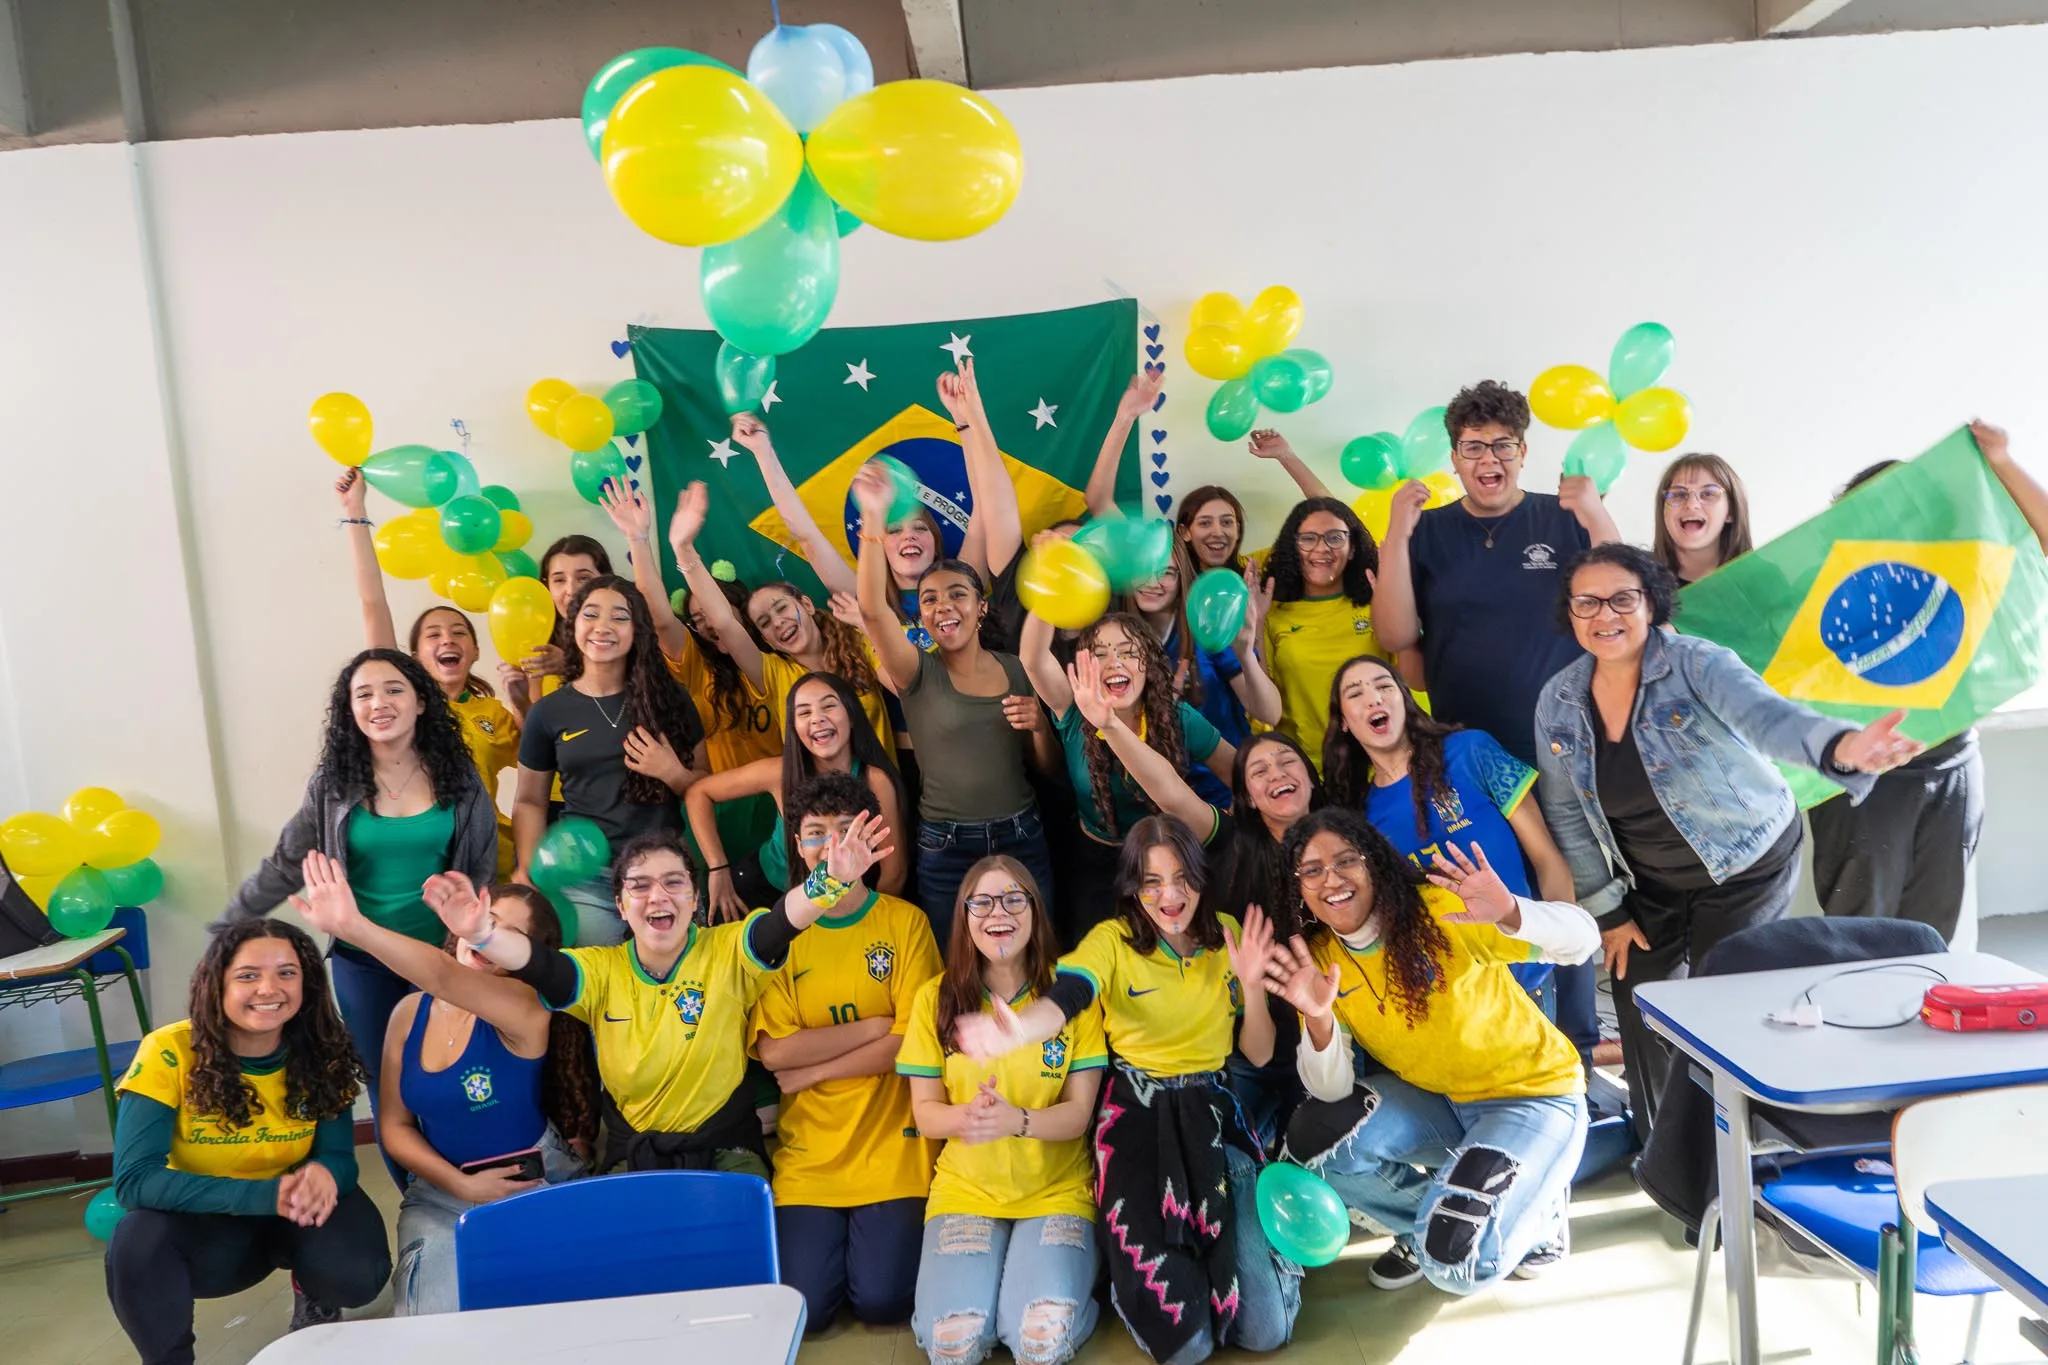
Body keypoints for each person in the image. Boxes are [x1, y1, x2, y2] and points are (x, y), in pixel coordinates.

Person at [1534, 543, 1923, 1139]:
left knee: (1730, 1002)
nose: (1604, 614)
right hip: (1646, 881)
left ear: (1651, 604)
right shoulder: (1559, 700)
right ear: (1569, 611)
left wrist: (1844, 749)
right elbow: (1565, 811)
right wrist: (1607, 910)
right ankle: (1666, 1155)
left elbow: (1773, 720)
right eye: (1587, 602)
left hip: (1745, 860)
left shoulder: (1697, 664)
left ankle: (1748, 1144)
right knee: (1643, 1007)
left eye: (1622, 599)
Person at [953, 815, 1300, 1365]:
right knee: (1186, 1347)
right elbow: (1070, 993)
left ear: (1201, 880)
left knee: (1266, 1330)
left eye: (1182, 877)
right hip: (1137, 1124)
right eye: (1152, 881)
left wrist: (1252, 988)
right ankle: (1128, 1279)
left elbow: (1257, 1053)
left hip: (1212, 1120)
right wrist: (1018, 1029)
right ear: (1133, 887)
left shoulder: (1228, 935)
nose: (1169, 894)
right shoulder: (1112, 940)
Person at [1368, 379, 1621, 1066]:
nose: (1489, 458)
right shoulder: (1431, 533)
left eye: (1502, 445)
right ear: (1453, 456)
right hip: (1465, 751)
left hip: (1563, 744)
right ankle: (1503, 1047)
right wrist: (1395, 533)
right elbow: (1396, 636)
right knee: (1490, 893)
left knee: (1564, 879)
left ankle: (1576, 1044)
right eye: (1473, 446)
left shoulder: (1560, 518)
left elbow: (1621, 599)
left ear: (1523, 449)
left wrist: (1596, 516)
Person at [428, 816, 893, 1181]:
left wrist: (829, 881)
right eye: (640, 885)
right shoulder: (599, 970)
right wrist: (482, 933)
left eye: (674, 882)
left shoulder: (729, 950)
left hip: (726, 1154)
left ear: (694, 898)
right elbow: (538, 962)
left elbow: (783, 919)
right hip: (634, 1158)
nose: (658, 896)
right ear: (620, 903)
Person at [1268, 810, 1598, 1292]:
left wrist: (1511, 912)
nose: (1331, 879)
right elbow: (1332, 1089)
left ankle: (1539, 1216)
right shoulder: (1319, 959)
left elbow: (1583, 942)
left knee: (1457, 1266)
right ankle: (1429, 1224)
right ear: (1299, 888)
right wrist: (1318, 1016)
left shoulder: (1442, 910)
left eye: (1346, 861)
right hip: (1441, 1102)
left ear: (1374, 864)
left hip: (1534, 1097)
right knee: (1316, 1148)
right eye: (1312, 870)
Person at [289, 854, 599, 1316]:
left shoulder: (527, 1006)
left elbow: (443, 975)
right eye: (487, 921)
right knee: (433, 1331)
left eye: (509, 936)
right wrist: (460, 1185)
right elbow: (395, 1126)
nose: (485, 939)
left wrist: (353, 926)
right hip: (438, 1196)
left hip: (535, 1183)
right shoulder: (408, 1014)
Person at [220, 649, 497, 1150]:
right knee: (389, 1091)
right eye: (363, 694)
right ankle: (416, 1197)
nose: (378, 703)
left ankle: (461, 1190)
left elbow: (480, 867)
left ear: (420, 702)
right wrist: (228, 928)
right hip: (361, 960)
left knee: (453, 1077)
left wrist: (469, 934)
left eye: (393, 690)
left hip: (439, 954)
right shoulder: (333, 785)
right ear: (349, 710)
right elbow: (287, 860)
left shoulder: (461, 778)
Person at [1807, 420, 2048, 941]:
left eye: (1907, 502)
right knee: (1856, 938)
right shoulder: (1824, 581)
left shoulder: (1963, 568)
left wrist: (2003, 462)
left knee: (1932, 939)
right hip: (1861, 777)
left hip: (1952, 765)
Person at [106, 920, 389, 1362]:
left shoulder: (322, 1049)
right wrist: (265, 1195)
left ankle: (313, 1290)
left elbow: (340, 1157)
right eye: (248, 975)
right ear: (215, 982)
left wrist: (324, 1174)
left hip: (294, 1213)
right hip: (209, 1220)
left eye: (286, 972)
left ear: (308, 981)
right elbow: (135, 1181)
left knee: (358, 1275)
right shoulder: (169, 1051)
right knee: (136, 1240)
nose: (269, 988)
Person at [751, 772, 944, 1330]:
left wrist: (814, 1073)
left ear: (873, 838)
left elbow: (910, 1044)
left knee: (884, 1303)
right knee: (803, 1313)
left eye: (846, 829)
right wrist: (873, 1027)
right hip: (810, 1156)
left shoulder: (905, 923)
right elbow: (776, 1054)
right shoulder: (779, 932)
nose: (832, 846)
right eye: (815, 832)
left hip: (894, 1150)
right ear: (796, 843)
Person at [898, 857, 1107, 1365]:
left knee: (1040, 1343)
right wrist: (971, 1117)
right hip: (966, 1193)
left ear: (1035, 912)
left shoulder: (1069, 993)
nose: (1000, 912)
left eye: (1015, 899)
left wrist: (1017, 1121)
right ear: (964, 916)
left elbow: (1079, 1115)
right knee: (955, 1344)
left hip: (1054, 1193)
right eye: (983, 902)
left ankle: (1060, 1299)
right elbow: (926, 1114)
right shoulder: (935, 998)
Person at [850, 462, 1057, 949]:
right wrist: (874, 521)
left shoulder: (1016, 668)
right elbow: (871, 610)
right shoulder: (915, 671)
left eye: (958, 594)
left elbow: (1048, 772)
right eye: (930, 599)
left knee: (1037, 955)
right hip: (944, 847)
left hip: (1023, 835)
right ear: (920, 614)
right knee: (955, 968)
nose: (944, 606)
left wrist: (1041, 728)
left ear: (981, 607)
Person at [1323, 654, 1575, 1010]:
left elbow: (1546, 857)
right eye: (1355, 693)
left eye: (1384, 686)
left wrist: (1567, 938)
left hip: (1527, 983)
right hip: (1453, 1006)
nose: (1374, 698)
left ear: (1404, 700)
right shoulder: (1361, 817)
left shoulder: (1472, 750)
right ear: (1344, 722)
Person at [335, 467, 523, 878]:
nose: (447, 640)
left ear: (474, 651)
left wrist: (524, 697)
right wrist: (355, 514)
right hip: (416, 865)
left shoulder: (492, 713)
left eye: (458, 633)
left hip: (491, 863)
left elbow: (537, 767)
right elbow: (373, 604)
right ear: (415, 656)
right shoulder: (399, 707)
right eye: (433, 635)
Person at [512, 574, 708, 946]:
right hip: (584, 876)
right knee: (596, 991)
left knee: (676, 984)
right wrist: (527, 867)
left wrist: (672, 774)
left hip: (663, 873)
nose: (603, 627)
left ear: (637, 631)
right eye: (591, 615)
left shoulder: (670, 700)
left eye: (620, 617)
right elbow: (529, 800)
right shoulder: (548, 712)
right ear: (574, 625)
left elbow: (705, 785)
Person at [1020, 607, 1236, 933]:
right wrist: (1052, 582)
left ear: (1147, 663)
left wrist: (1227, 824)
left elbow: (1239, 773)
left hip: (1167, 863)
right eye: (1101, 654)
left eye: (1127, 652)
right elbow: (1033, 659)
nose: (1115, 662)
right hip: (1096, 865)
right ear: (1084, 667)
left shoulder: (1178, 717)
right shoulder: (1075, 711)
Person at [660, 476, 898, 761]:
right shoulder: (772, 674)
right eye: (764, 622)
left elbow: (907, 686)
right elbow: (724, 622)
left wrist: (869, 626)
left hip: (884, 797)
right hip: (818, 803)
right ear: (765, 639)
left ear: (807, 604)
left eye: (781, 608)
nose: (777, 621)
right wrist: (683, 549)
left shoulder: (857, 645)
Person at [685, 669, 910, 919]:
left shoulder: (875, 780)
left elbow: (894, 873)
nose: (817, 719)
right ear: (793, 727)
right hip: (767, 892)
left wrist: (864, 924)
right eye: (804, 712)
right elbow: (698, 794)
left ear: (852, 715)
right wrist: (718, 867)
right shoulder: (779, 772)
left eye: (829, 707)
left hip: (848, 902)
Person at [601, 480, 781, 774]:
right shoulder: (697, 668)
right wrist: (638, 538)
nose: (710, 622)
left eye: (713, 607)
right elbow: (659, 618)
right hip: (722, 807)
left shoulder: (775, 665)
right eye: (698, 618)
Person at [1120, 539, 1280, 801]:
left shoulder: (1209, 629)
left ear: (1181, 578)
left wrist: (1245, 654)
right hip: (1160, 799)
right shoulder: (1118, 639)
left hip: (1227, 793)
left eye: (1167, 573)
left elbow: (1269, 713)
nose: (1153, 581)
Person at [1257, 497, 1389, 769]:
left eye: (1335, 538)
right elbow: (1263, 705)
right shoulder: (1272, 613)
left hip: (1382, 765)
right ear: (1294, 548)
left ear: (1352, 548)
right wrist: (1255, 628)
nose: (1322, 548)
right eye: (1308, 539)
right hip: (1310, 770)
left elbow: (1411, 682)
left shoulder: (1377, 603)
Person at [500, 534, 614, 720]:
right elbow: (534, 735)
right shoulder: (538, 643)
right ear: (547, 587)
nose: (572, 591)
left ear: (605, 580)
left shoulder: (626, 633)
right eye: (559, 580)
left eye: (584, 578)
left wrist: (572, 667)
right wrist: (520, 703)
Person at [1650, 453, 1753, 587]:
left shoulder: (1761, 578)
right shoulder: (1640, 581)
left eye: (1707, 494)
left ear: (1731, 511)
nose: (1692, 504)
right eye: (1679, 494)